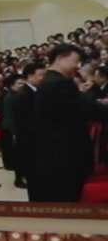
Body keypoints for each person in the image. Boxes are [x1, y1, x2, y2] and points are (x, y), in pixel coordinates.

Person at [31, 43, 108, 202]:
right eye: (75, 61)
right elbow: (86, 109)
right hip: (65, 156)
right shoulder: (59, 83)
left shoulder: (49, 80)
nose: (77, 66)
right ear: (60, 59)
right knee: (69, 199)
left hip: (55, 153)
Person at [11, 62, 44, 193]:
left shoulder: (34, 92)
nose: (43, 78)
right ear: (30, 77)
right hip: (30, 141)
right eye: (41, 75)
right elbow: (27, 122)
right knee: (34, 175)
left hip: (34, 139)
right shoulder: (24, 95)